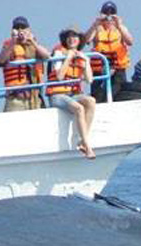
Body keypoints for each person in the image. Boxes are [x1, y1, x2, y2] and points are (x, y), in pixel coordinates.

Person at [47, 26, 96, 159]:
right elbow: (59, 77)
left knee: (91, 101)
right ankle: (87, 146)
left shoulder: (82, 56)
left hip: (72, 94)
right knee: (79, 108)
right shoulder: (59, 53)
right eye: (69, 37)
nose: (72, 39)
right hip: (58, 95)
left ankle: (82, 140)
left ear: (79, 40)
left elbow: (89, 79)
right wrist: (68, 59)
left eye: (75, 36)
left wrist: (86, 61)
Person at [0, 16, 50, 112]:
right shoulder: (9, 45)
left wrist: (32, 41)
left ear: (28, 30)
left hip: (34, 98)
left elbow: (46, 56)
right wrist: (13, 41)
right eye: (17, 28)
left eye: (23, 28)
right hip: (16, 99)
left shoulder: (33, 45)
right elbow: (2, 60)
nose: (20, 30)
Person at [84, 1, 133, 102]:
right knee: (98, 95)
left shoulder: (121, 28)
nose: (109, 17)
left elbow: (130, 41)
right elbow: (86, 40)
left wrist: (119, 25)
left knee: (117, 93)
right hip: (99, 70)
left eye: (112, 13)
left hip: (117, 70)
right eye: (106, 13)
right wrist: (95, 24)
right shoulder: (97, 29)